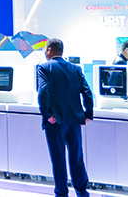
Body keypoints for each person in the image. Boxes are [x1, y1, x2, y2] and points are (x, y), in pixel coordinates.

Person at [38, 38, 93, 197]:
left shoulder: (44, 67)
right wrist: (87, 114)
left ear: (49, 50)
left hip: (55, 121)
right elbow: (87, 92)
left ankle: (62, 193)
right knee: (77, 157)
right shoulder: (75, 68)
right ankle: (82, 191)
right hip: (74, 120)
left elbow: (43, 91)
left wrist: (47, 114)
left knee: (58, 159)